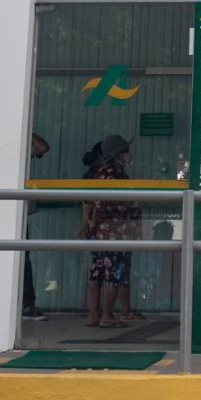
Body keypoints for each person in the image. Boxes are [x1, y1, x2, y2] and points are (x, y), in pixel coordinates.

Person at [79, 134, 137, 328]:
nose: (129, 154)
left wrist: (89, 224)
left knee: (97, 272)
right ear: (117, 155)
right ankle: (107, 316)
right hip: (115, 230)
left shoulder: (99, 172)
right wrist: (93, 222)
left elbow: (89, 200)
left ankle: (93, 315)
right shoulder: (115, 175)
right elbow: (104, 203)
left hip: (100, 232)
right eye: (125, 151)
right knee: (114, 273)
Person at [21, 133, 49, 321]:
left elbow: (42, 148)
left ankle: (27, 304)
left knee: (24, 257)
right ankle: (25, 305)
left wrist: (29, 133)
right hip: (4, 211)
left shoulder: (23, 145)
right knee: (20, 258)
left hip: (19, 214)